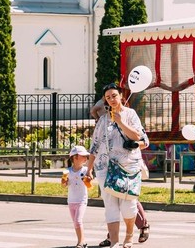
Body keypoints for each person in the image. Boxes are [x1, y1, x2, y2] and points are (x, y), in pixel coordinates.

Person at [89, 91, 152, 245]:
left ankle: (129, 236)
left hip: (128, 167)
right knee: (110, 206)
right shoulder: (103, 120)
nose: (112, 100)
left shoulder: (130, 114)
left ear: (121, 96)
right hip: (105, 167)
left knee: (128, 206)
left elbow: (139, 138)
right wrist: (88, 169)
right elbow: (95, 146)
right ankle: (114, 242)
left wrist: (121, 122)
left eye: (114, 96)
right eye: (108, 97)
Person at [63, 144, 92, 248]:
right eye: (83, 156)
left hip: (81, 200)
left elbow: (89, 186)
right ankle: (82, 241)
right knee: (76, 223)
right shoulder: (68, 171)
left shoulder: (85, 170)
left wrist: (88, 180)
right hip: (71, 200)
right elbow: (64, 185)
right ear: (75, 158)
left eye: (86, 156)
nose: (86, 158)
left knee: (78, 221)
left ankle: (80, 242)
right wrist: (64, 182)